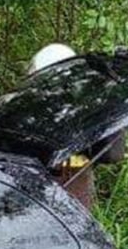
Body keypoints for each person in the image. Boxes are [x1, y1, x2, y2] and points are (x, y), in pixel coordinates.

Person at [26, 43, 97, 209]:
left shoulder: (21, 107)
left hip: (46, 194)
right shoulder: (88, 109)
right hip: (69, 199)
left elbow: (111, 154)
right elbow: (111, 154)